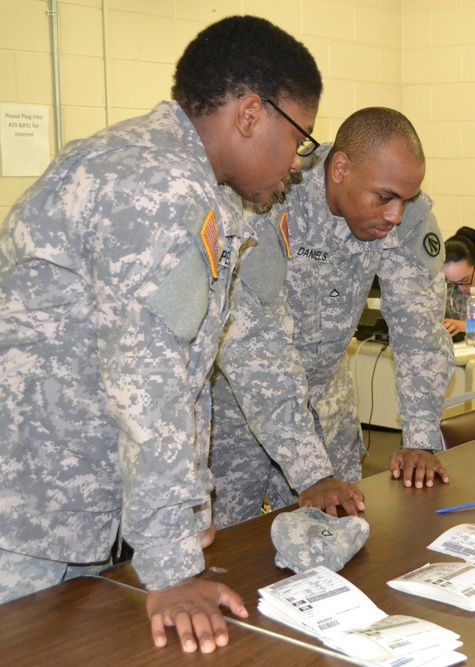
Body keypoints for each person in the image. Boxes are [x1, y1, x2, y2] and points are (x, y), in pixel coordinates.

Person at [0, 15, 345, 654]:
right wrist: (171, 562)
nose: (300, 165)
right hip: (29, 505)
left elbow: (225, 349)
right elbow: (147, 377)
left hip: (81, 500)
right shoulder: (155, 186)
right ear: (250, 114)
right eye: (300, 140)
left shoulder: (202, 190)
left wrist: (196, 505)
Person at [210, 107, 455, 529]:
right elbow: (256, 347)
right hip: (241, 413)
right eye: (384, 197)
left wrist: (420, 438)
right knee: (236, 554)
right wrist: (310, 470)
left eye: (406, 199)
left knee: (341, 545)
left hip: (329, 409)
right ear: (340, 169)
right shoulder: (268, 195)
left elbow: (421, 330)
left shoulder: (403, 214)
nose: (395, 215)